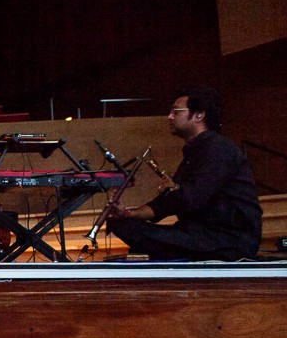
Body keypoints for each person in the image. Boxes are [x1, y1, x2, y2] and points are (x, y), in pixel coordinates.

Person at [107, 87, 262, 261]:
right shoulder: (196, 151)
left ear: (199, 115)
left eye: (176, 111)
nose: (170, 117)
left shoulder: (219, 149)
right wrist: (126, 213)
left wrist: (173, 189)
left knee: (138, 235)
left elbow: (192, 198)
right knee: (122, 224)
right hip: (199, 235)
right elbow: (163, 206)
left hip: (226, 238)